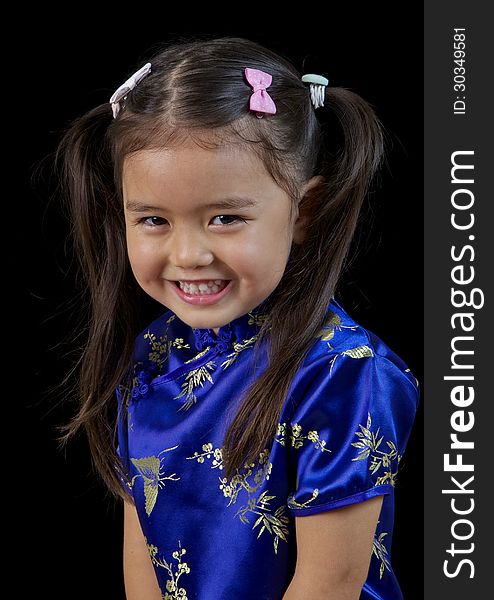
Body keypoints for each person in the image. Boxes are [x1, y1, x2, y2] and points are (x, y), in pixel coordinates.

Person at [55, 36, 419, 599]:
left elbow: (330, 585)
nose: (188, 255)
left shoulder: (342, 374)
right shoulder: (150, 353)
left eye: (224, 217)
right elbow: (144, 555)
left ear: (304, 212)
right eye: (153, 220)